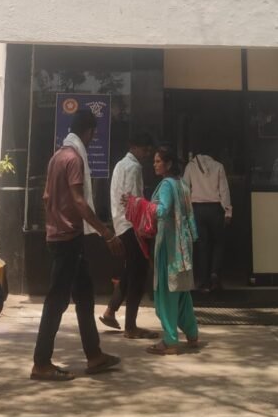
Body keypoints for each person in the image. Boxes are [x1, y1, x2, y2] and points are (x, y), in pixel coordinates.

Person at [31, 108, 123, 382]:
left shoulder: (57, 157)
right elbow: (80, 201)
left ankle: (94, 355)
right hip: (68, 238)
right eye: (93, 133)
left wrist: (54, 222)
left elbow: (46, 197)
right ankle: (41, 363)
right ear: (90, 131)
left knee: (84, 296)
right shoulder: (73, 159)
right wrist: (106, 233)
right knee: (56, 301)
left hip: (61, 236)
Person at [123, 144, 200, 355]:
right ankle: (192, 334)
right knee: (182, 293)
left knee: (165, 294)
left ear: (168, 164)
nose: (155, 164)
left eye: (158, 161)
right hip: (184, 245)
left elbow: (163, 210)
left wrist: (138, 204)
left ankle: (170, 340)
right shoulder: (182, 184)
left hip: (169, 246)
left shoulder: (166, 185)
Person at [100, 132, 159, 339]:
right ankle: (130, 326)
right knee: (138, 275)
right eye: (145, 150)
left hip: (120, 223)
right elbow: (135, 200)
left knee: (131, 269)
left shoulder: (119, 165)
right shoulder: (134, 167)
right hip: (132, 225)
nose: (147, 154)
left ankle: (111, 310)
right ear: (134, 147)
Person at [182, 150, 232, 292]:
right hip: (215, 209)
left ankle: (203, 281)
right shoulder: (218, 166)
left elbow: (185, 189)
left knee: (202, 245)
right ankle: (214, 274)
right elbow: (224, 190)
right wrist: (228, 211)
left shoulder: (190, 166)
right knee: (218, 243)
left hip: (197, 209)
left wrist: (186, 211)